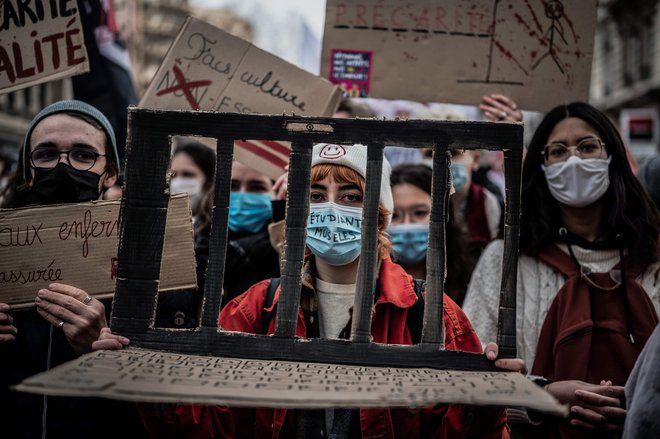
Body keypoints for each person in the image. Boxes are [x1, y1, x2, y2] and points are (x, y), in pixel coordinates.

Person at [97, 143, 525, 438]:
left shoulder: (433, 314)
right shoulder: (255, 309)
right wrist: (150, 382)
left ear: (378, 217)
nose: (331, 208)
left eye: (351, 196)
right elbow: (208, 425)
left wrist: (486, 402)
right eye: (317, 195)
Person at [463, 101, 660, 437]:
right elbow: (468, 381)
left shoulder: (654, 259)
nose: (573, 160)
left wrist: (642, 411)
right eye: (557, 151)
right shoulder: (504, 259)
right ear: (542, 165)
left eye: (587, 147)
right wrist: (540, 398)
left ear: (612, 155)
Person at [0, 100, 147, 438]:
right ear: (28, 170)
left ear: (109, 173)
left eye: (83, 155)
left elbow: (166, 412)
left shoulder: (149, 268)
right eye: (47, 154)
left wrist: (105, 353)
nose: (63, 166)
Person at [389, 164, 477, 305]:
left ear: (444, 216)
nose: (407, 224)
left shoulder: (469, 282)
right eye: (394, 216)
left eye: (419, 213)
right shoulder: (367, 285)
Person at [157, 139, 216, 328]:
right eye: (174, 175)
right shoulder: (158, 226)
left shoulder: (218, 233)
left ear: (208, 181)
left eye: (188, 175)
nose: (179, 182)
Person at [221, 160, 283, 303]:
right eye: (233, 186)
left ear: (276, 193)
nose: (242, 195)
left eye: (257, 187)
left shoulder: (284, 253)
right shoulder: (197, 246)